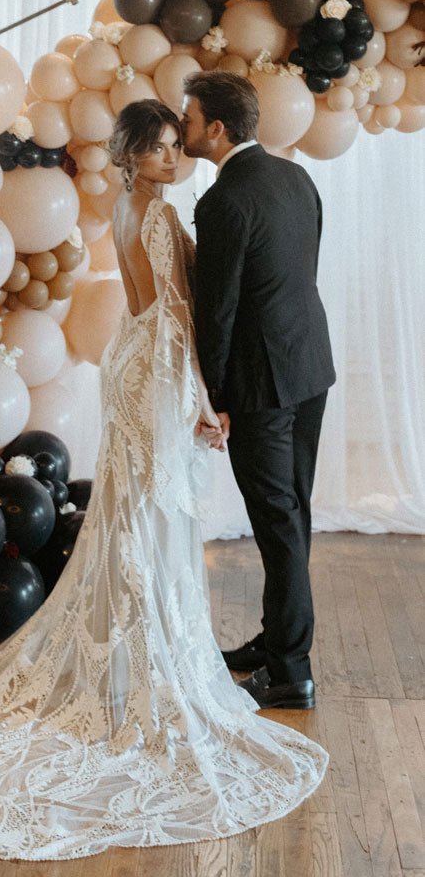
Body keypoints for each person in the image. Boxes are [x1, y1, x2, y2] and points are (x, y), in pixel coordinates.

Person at [0, 99, 327, 861]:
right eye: (167, 148)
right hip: (163, 368)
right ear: (140, 155)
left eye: (181, 143)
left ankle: (143, 647)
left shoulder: (130, 205)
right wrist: (208, 400)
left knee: (135, 511)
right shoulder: (167, 216)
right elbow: (176, 308)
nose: (178, 158)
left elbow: (155, 309)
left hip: (132, 365)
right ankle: (151, 656)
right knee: (152, 513)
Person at [182, 72, 336, 711]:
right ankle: (277, 641)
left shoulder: (223, 202)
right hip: (310, 368)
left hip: (263, 384)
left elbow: (216, 311)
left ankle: (291, 672)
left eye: (188, 118)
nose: (183, 127)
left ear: (216, 128)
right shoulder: (297, 177)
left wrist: (211, 394)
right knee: (290, 512)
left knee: (278, 524)